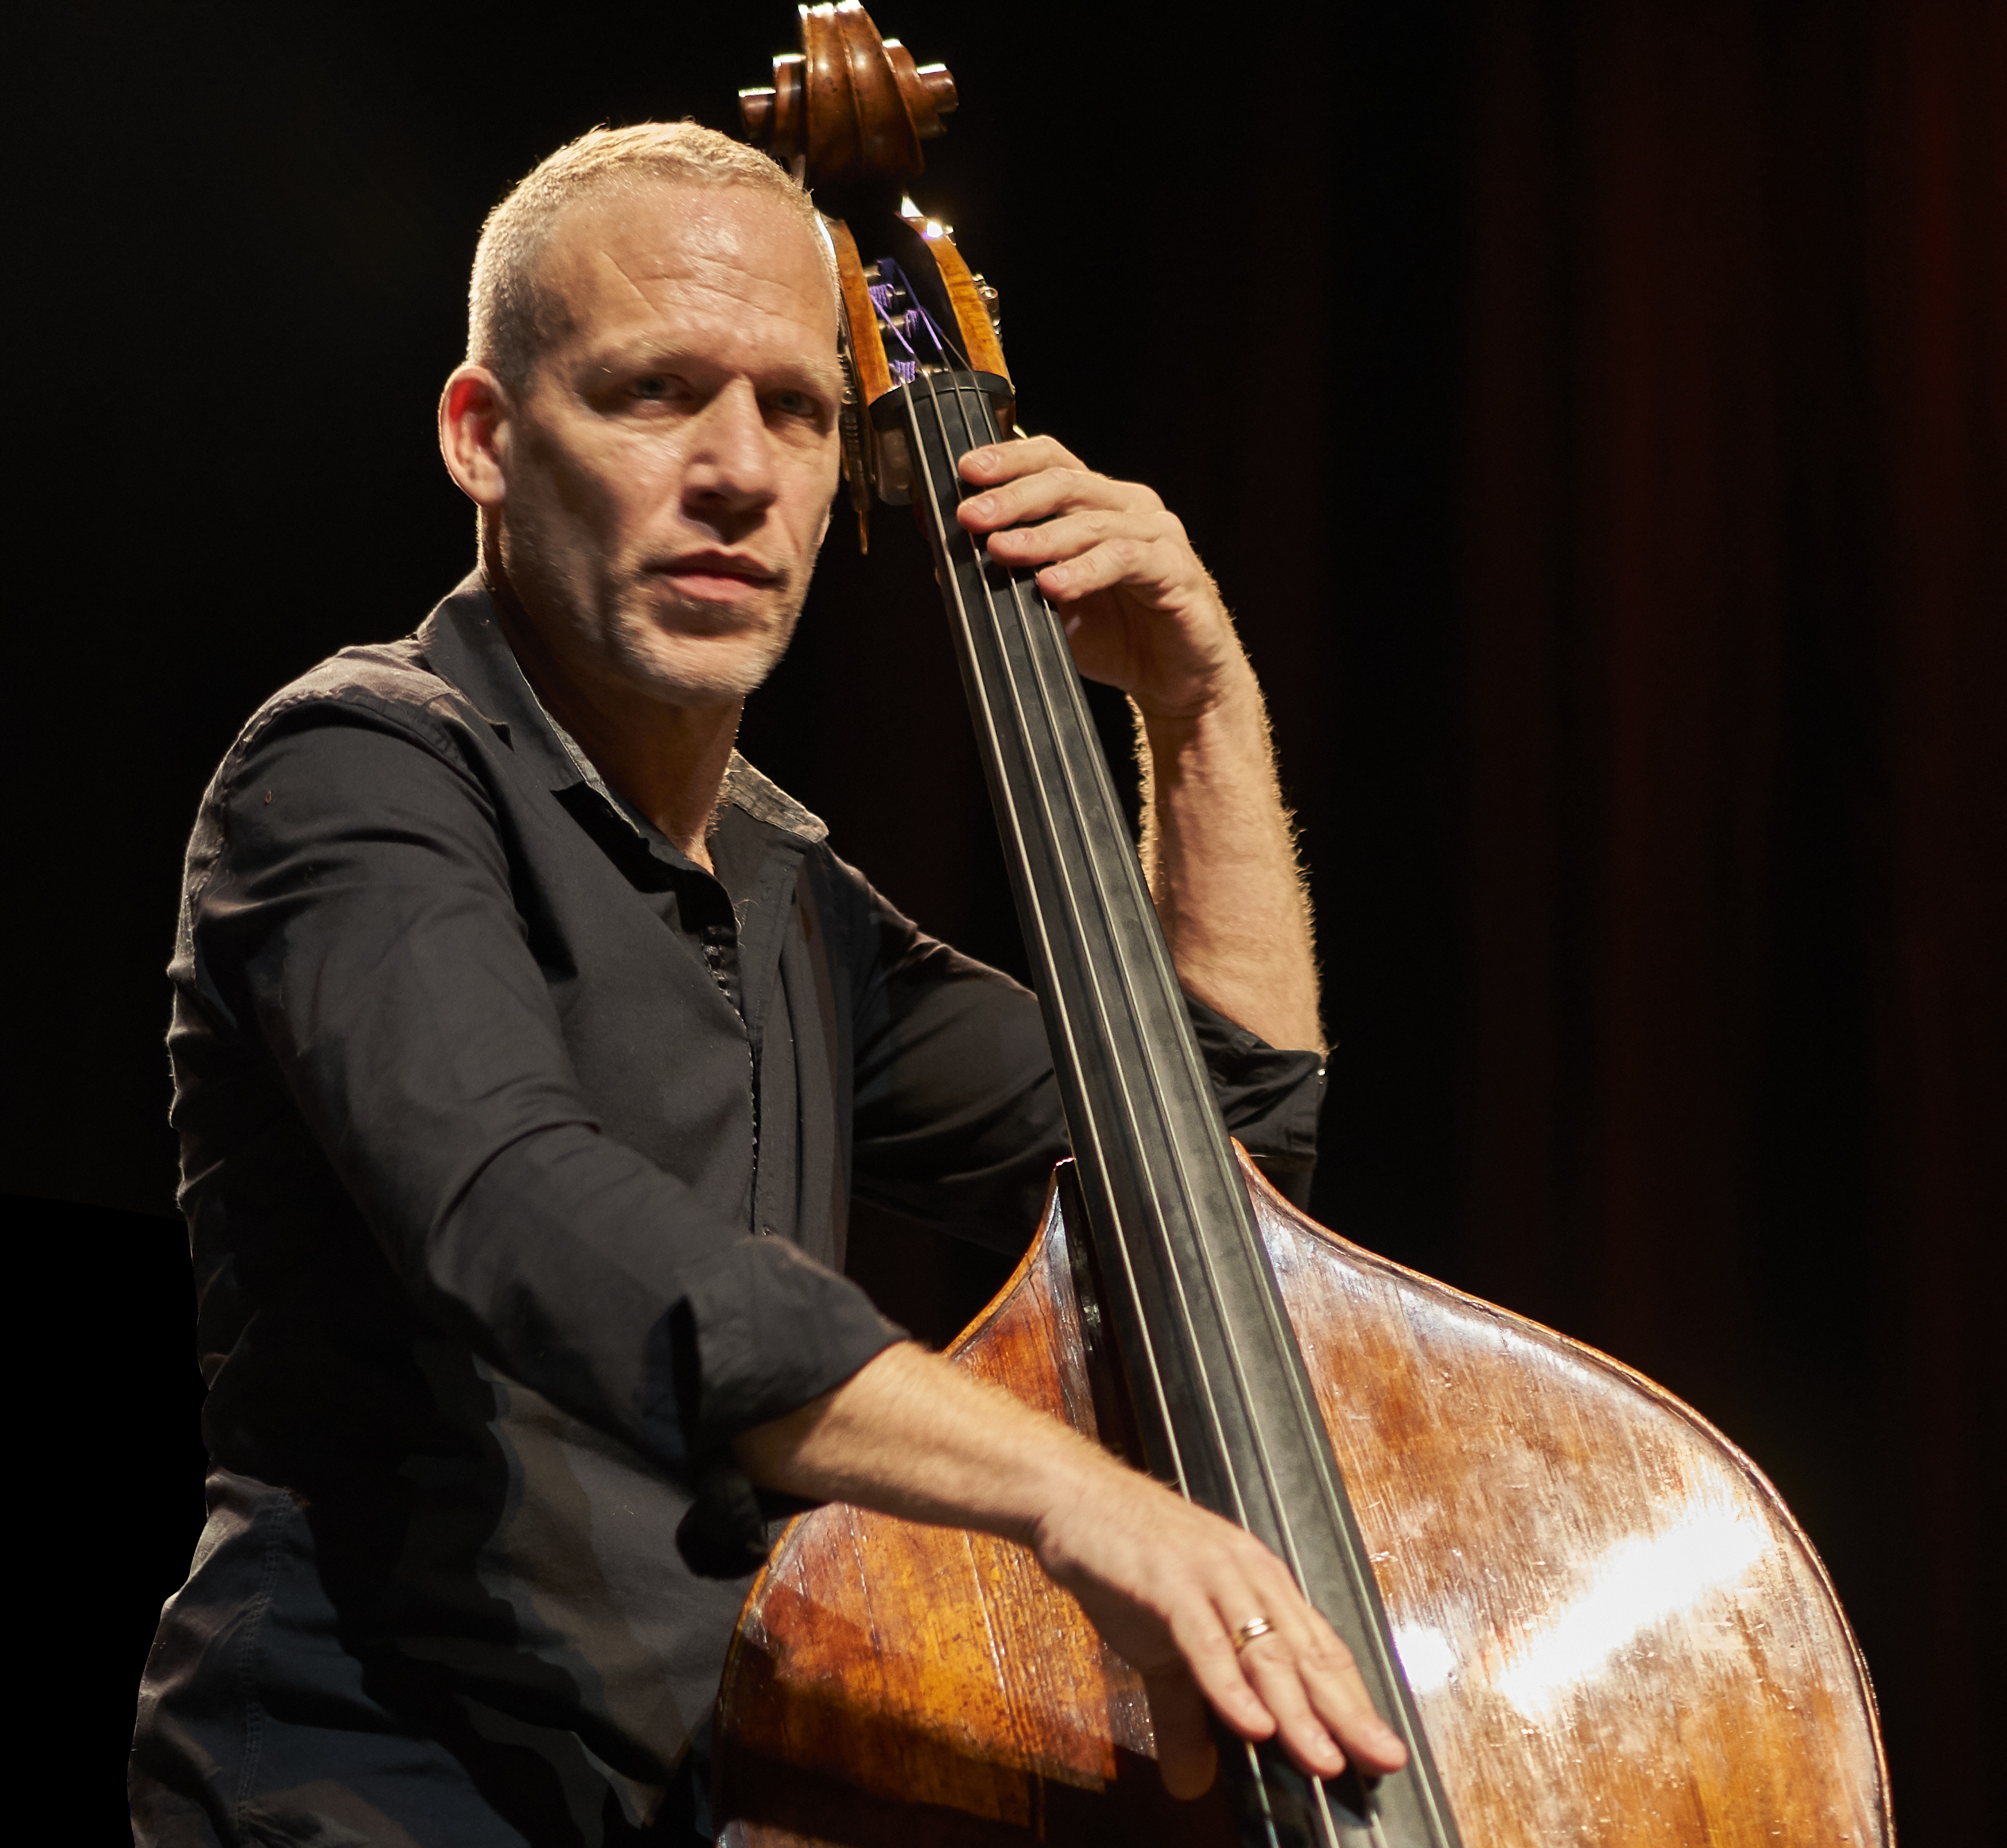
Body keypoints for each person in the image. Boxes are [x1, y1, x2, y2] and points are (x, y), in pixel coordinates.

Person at [130, 123, 1406, 1846]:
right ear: (485, 438)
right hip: (366, 1799)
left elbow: (1223, 1154)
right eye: (656, 394)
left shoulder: (789, 886)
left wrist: (1196, 707)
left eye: (797, 412)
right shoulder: (353, 779)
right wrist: (1074, 1501)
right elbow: (531, 1216)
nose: (738, 470)